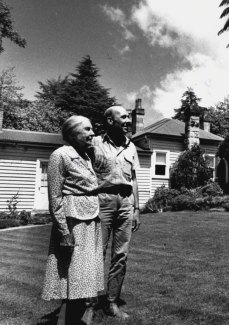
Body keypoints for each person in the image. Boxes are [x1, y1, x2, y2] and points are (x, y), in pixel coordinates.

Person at [41, 115, 103, 325]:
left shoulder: (86, 156)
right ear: (72, 133)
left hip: (91, 221)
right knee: (73, 279)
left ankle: (74, 321)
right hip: (72, 222)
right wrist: (64, 231)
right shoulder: (60, 155)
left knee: (83, 280)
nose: (92, 133)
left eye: (92, 129)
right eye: (86, 129)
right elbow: (55, 197)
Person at [92, 106, 141, 320]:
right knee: (96, 253)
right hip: (102, 201)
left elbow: (134, 178)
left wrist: (137, 208)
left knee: (121, 255)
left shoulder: (131, 147)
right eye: (123, 117)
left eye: (128, 116)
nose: (128, 120)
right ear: (110, 121)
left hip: (126, 202)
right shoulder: (94, 143)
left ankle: (111, 302)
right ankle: (89, 303)